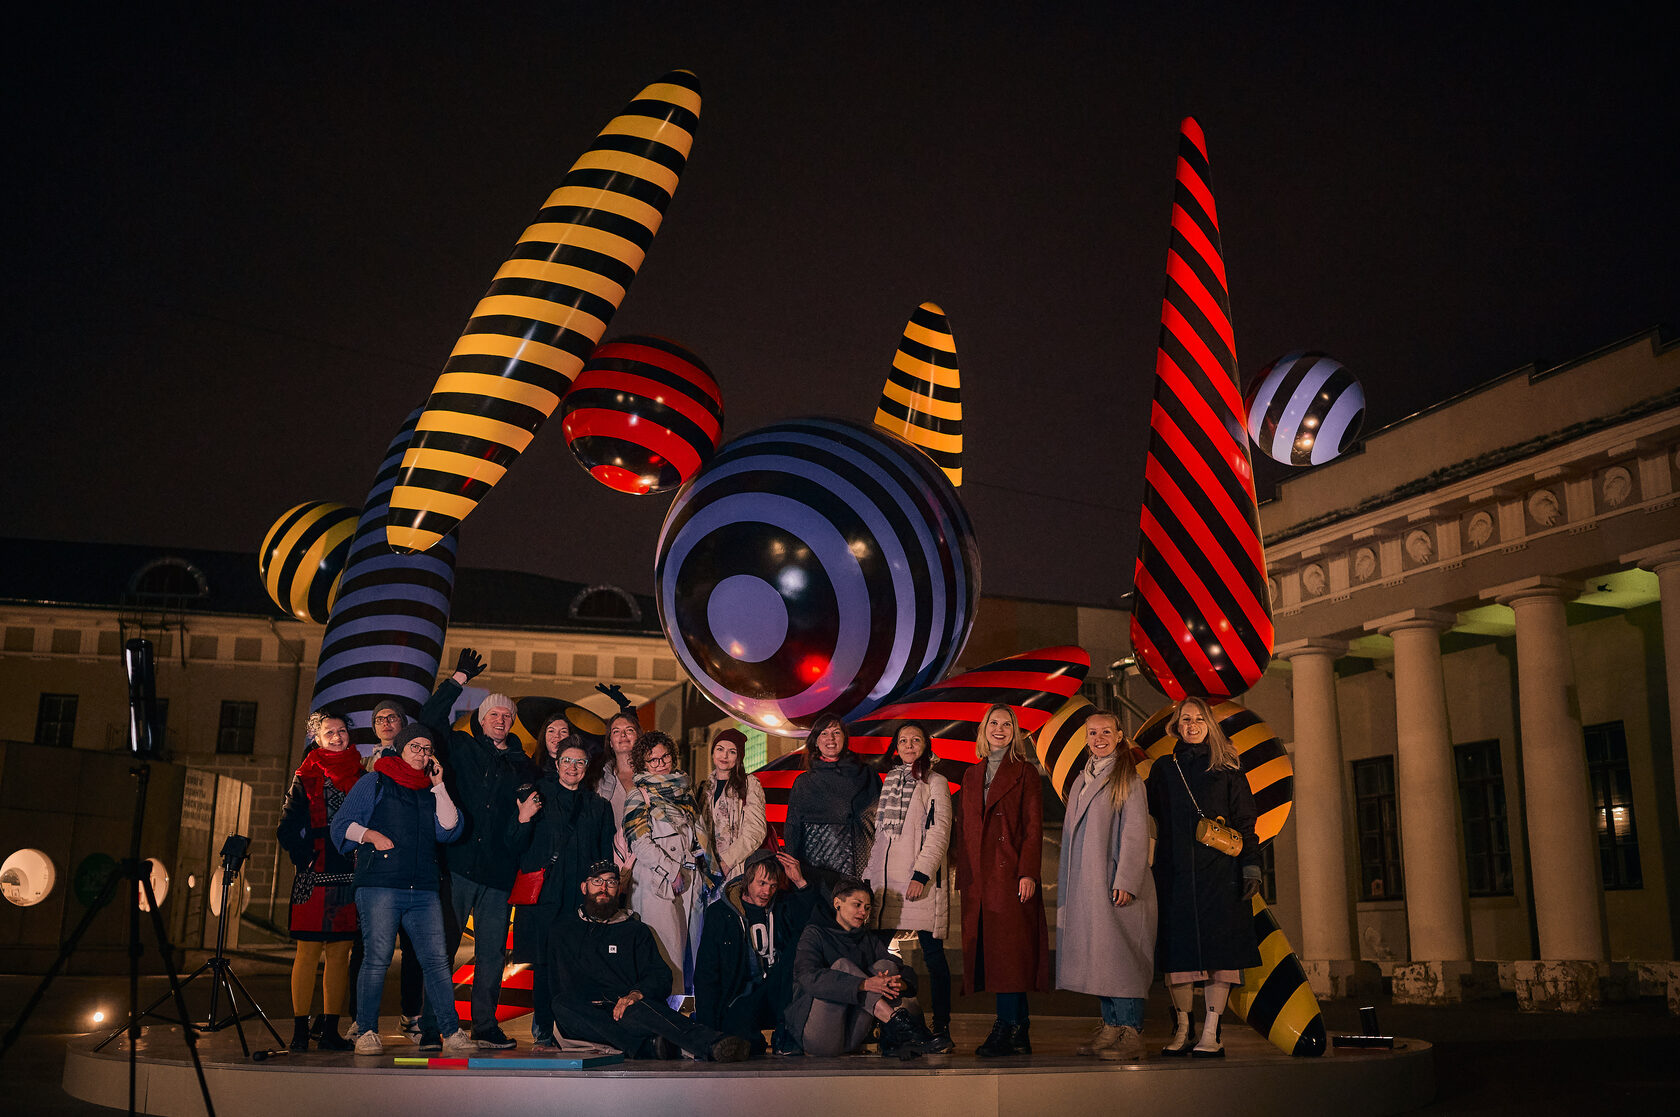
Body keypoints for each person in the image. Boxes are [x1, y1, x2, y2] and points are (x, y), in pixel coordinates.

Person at [415, 649, 541, 1050]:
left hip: (499, 875)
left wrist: (521, 826)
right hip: (457, 867)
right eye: (493, 715)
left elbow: (522, 823)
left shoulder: (523, 766)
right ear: (481, 720)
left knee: (492, 955)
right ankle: (432, 1026)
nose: (500, 721)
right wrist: (457, 680)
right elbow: (429, 719)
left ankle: (484, 1025)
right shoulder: (460, 749)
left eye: (506, 716)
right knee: (444, 949)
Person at [330, 724, 477, 1056]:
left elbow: (450, 829)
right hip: (380, 885)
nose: (422, 754)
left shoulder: (430, 789)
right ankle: (366, 1029)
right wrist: (372, 836)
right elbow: (341, 825)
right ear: (400, 748)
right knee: (377, 959)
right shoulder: (376, 780)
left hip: (423, 889)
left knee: (437, 961)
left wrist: (439, 785)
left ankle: (451, 1031)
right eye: (415, 747)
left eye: (427, 749)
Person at [1145, 697, 1262, 1059]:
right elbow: (1145, 817)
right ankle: (1183, 1027)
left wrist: (1251, 867)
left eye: (1198, 719)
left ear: (1209, 724)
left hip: (1220, 876)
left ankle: (1211, 1031)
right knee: (1177, 957)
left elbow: (1246, 823)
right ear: (1176, 726)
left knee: (1220, 954)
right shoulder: (1163, 769)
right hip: (1174, 874)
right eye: (1185, 720)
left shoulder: (1228, 769)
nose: (1191, 725)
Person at [545, 860, 751, 1062]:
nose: (604, 888)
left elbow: (660, 975)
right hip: (584, 1012)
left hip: (625, 1008)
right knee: (562, 1005)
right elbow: (550, 982)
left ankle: (712, 1044)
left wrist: (635, 994)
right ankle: (648, 1046)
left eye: (611, 882)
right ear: (584, 887)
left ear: (619, 888)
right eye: (597, 881)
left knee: (638, 1010)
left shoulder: (635, 930)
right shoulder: (563, 930)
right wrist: (544, 1037)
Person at [1055, 712, 1157, 1062]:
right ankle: (1112, 1025)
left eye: (1105, 732)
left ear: (1119, 735)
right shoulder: (1083, 779)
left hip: (1116, 882)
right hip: (1091, 883)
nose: (1099, 738)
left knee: (1122, 956)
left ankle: (1132, 1031)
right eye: (1092, 732)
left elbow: (1135, 832)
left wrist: (1126, 880)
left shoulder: (1127, 778)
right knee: (1102, 956)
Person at [510, 716, 616, 1052]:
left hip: (580, 899)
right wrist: (523, 819)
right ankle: (543, 1028)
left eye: (579, 762)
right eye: (567, 760)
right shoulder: (538, 796)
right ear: (556, 762)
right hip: (546, 896)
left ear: (587, 766)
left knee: (577, 964)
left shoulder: (597, 806)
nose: (572, 767)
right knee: (543, 964)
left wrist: (602, 894)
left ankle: (573, 1027)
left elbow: (604, 857)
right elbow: (514, 842)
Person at [955, 703, 1049, 1057]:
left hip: (1009, 874)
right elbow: (965, 829)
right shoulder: (970, 775)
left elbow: (1033, 826)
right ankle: (1019, 1029)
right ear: (983, 730)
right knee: (997, 954)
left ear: (1015, 732)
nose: (999, 728)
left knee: (1010, 955)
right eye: (993, 723)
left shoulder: (1024, 772)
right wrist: (964, 875)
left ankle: (1006, 1026)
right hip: (980, 880)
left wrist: (1027, 872)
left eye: (1007, 724)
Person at [864, 720, 955, 1052]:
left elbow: (940, 831)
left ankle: (941, 1027)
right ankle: (881, 1022)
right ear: (895, 746)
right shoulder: (889, 782)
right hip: (886, 887)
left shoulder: (935, 781)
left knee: (933, 957)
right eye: (903, 740)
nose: (909, 744)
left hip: (919, 882)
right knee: (873, 954)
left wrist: (922, 874)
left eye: (916, 739)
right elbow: (880, 840)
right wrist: (870, 878)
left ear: (926, 745)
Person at [338, 698, 424, 1043]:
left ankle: (411, 1015)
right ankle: (360, 1018)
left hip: (412, 869)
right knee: (367, 948)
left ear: (404, 725)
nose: (386, 723)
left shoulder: (419, 760)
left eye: (392, 718)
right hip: (375, 869)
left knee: (414, 947)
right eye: (379, 719)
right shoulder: (364, 766)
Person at [277, 709, 362, 1052]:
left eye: (342, 731)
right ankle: (299, 1032)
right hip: (314, 875)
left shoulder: (362, 773)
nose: (338, 736)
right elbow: (285, 827)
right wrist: (306, 858)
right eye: (330, 732)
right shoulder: (306, 774)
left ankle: (329, 1031)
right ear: (317, 738)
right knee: (308, 953)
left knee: (340, 955)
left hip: (349, 872)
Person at [785, 878, 939, 1058]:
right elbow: (808, 979)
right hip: (819, 1037)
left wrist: (898, 984)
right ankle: (897, 1024)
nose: (863, 912)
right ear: (837, 903)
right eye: (856, 905)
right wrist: (863, 984)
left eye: (867, 908)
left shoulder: (867, 939)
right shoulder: (815, 933)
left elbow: (905, 971)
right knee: (843, 966)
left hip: (852, 1036)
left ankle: (897, 1029)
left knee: (886, 966)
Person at [695, 848, 818, 1055]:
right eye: (762, 883)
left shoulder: (783, 906)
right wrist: (707, 1028)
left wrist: (799, 882)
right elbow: (707, 972)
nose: (767, 892)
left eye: (772, 885)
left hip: (780, 992)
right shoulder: (720, 914)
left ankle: (785, 1034)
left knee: (799, 943)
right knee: (739, 1036)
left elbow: (814, 925)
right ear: (747, 879)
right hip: (742, 997)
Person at [622, 730, 703, 998]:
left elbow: (695, 836)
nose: (661, 763)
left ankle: (685, 1023)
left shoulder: (685, 791)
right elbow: (639, 842)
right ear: (643, 764)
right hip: (658, 885)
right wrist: (670, 871)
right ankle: (664, 1027)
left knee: (691, 960)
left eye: (664, 756)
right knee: (666, 959)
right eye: (653, 760)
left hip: (690, 882)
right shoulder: (639, 795)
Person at [782, 714, 880, 893]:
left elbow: (881, 821)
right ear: (816, 742)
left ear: (844, 738)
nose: (831, 739)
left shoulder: (867, 774)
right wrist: (792, 873)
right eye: (824, 734)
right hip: (817, 868)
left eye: (836, 732)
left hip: (862, 863)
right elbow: (793, 828)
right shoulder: (804, 782)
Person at [696, 727, 768, 884]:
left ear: (739, 757)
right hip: (704, 868)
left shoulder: (750, 784)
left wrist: (727, 862)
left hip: (735, 867)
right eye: (720, 749)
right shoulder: (704, 787)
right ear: (713, 752)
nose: (725, 755)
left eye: (732, 751)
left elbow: (756, 831)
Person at [588, 709, 642, 871]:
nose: (623, 735)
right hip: (612, 862)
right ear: (610, 742)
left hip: (647, 862)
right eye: (616, 731)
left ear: (639, 737)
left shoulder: (652, 777)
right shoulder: (599, 781)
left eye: (629, 730)